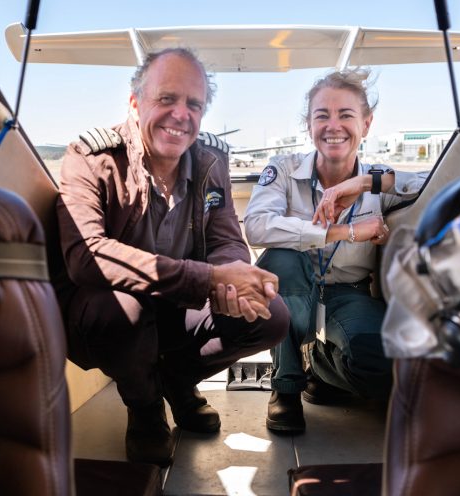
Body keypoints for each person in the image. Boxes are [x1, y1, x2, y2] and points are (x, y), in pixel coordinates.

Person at [53, 48, 289, 467]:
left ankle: (177, 384)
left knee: (269, 316)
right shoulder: (92, 158)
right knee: (122, 309)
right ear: (135, 103)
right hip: (107, 312)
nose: (181, 114)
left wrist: (234, 275)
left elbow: (227, 238)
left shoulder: (211, 160)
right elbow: (86, 256)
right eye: (167, 99)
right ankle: (144, 409)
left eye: (193, 104)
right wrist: (207, 279)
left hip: (178, 307)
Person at [244, 69, 424, 432]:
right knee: (281, 259)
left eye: (346, 115)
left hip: (348, 294)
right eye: (321, 115)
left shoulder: (377, 180)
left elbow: (437, 184)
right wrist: (345, 231)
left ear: (366, 124)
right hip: (295, 287)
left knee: (383, 367)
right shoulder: (283, 169)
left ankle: (321, 370)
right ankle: (286, 388)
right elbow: (257, 226)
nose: (333, 126)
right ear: (308, 125)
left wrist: (367, 181)